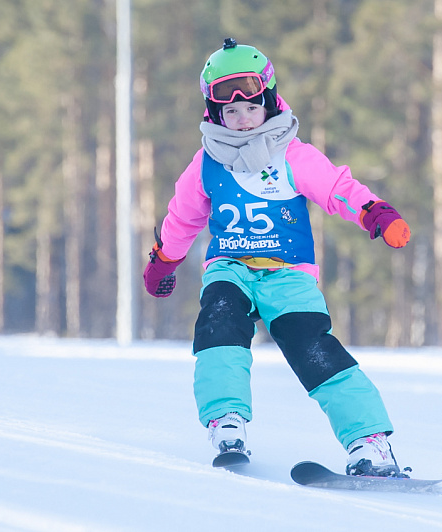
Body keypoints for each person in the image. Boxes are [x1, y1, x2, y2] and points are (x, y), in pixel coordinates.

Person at [143, 38, 411, 476]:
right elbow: (183, 217)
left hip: (288, 274)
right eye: (231, 111)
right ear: (215, 113)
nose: (243, 119)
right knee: (219, 328)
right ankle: (226, 420)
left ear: (268, 102)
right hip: (230, 268)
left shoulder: (293, 155)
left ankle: (369, 443)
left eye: (251, 107)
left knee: (313, 349)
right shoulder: (207, 162)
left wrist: (373, 212)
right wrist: (164, 259)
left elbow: (337, 188)